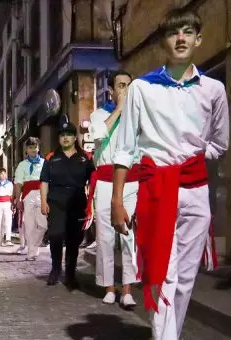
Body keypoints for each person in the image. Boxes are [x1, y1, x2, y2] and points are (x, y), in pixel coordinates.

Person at [110, 9, 228, 340]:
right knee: (163, 273)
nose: (181, 39)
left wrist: (191, 162)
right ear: (164, 40)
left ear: (197, 39)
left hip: (194, 190)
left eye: (187, 32)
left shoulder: (213, 90)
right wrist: (117, 200)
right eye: (174, 33)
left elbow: (219, 143)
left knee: (186, 277)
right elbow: (125, 148)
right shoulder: (142, 89)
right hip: (155, 189)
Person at [88, 71, 139, 308]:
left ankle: (127, 289)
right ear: (111, 91)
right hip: (106, 182)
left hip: (130, 182)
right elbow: (98, 135)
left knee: (128, 235)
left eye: (128, 85)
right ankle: (109, 286)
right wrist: (119, 109)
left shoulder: (137, 115)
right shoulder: (97, 115)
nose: (125, 89)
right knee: (105, 237)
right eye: (120, 85)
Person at [40, 123, 95, 288]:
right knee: (55, 235)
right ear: (59, 138)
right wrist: (43, 201)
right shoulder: (51, 158)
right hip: (56, 201)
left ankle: (70, 273)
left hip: (78, 202)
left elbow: (93, 181)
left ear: (74, 137)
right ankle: (55, 268)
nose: (65, 137)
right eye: (62, 134)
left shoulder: (85, 157)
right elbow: (44, 181)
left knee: (73, 239)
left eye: (69, 134)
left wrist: (91, 202)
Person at [14, 137, 48, 260]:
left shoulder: (45, 163)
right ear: (26, 150)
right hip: (27, 195)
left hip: (42, 194)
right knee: (29, 225)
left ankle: (34, 245)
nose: (33, 149)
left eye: (35, 147)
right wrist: (18, 199)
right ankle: (31, 252)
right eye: (30, 147)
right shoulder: (22, 165)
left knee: (43, 225)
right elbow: (18, 183)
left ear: (38, 148)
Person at [0, 168, 14, 247]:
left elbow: (11, 195)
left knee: (8, 221)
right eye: (1, 174)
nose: (3, 175)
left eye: (4, 173)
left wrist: (13, 205)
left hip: (7, 203)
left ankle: (8, 239)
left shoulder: (10, 184)